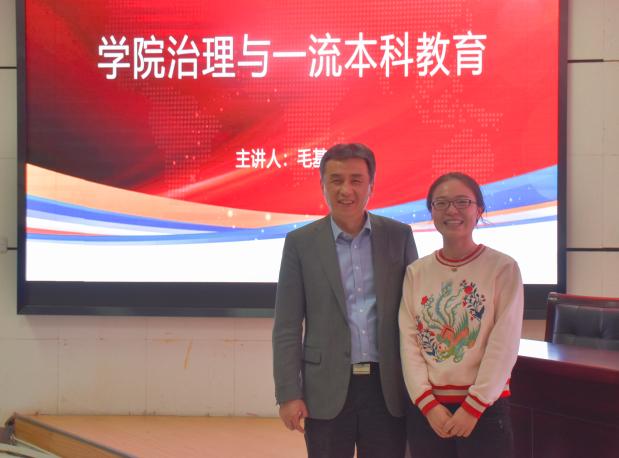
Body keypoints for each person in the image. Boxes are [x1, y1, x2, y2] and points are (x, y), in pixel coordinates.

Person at [272, 143, 418, 458]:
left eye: (356, 180)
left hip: (387, 388)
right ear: (322, 185)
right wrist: (288, 393)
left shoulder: (399, 236)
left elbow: (416, 317)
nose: (346, 190)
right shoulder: (301, 243)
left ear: (371, 186)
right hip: (325, 388)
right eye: (336, 180)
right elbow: (287, 325)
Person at [399, 172, 523, 458]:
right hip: (429, 412)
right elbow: (409, 342)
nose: (451, 210)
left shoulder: (503, 268)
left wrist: (474, 406)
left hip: (484, 411)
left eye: (462, 202)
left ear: (479, 210)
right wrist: (428, 404)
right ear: (431, 211)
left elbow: (503, 344)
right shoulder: (416, 272)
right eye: (441, 203)